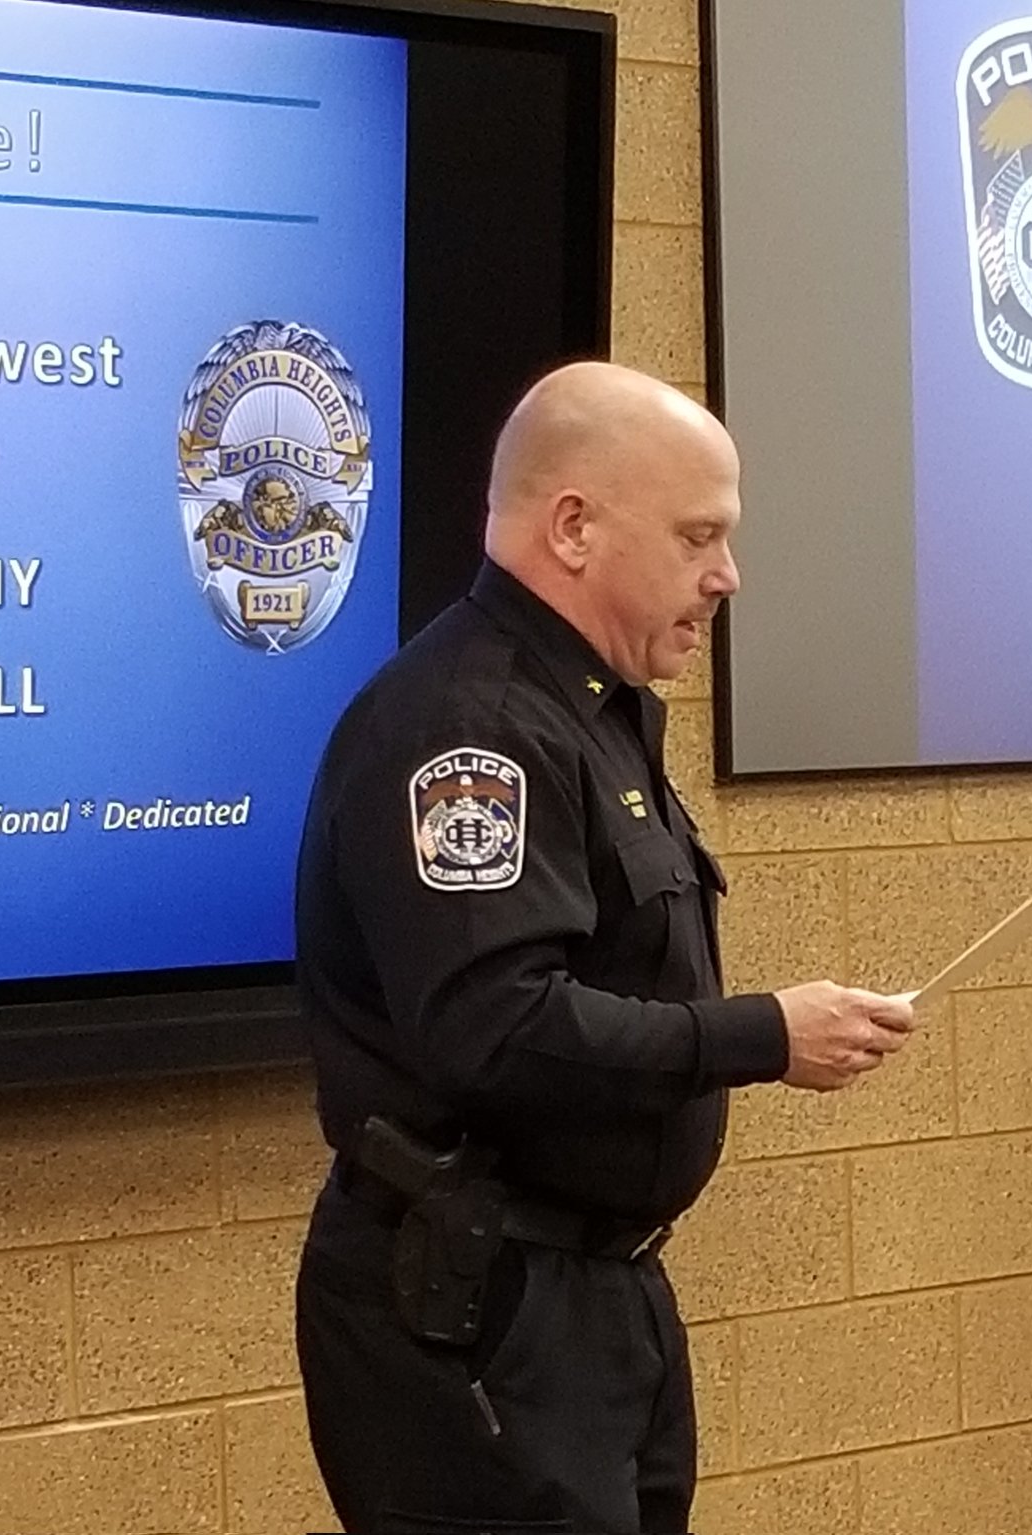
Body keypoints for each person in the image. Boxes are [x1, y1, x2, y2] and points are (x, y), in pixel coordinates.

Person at [293, 361, 916, 1535]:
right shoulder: (470, 727)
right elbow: (495, 1028)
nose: (725, 575)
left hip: (594, 1292)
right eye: (696, 536)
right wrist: (762, 1035)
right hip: (478, 1307)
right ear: (573, 527)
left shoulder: (587, 711)